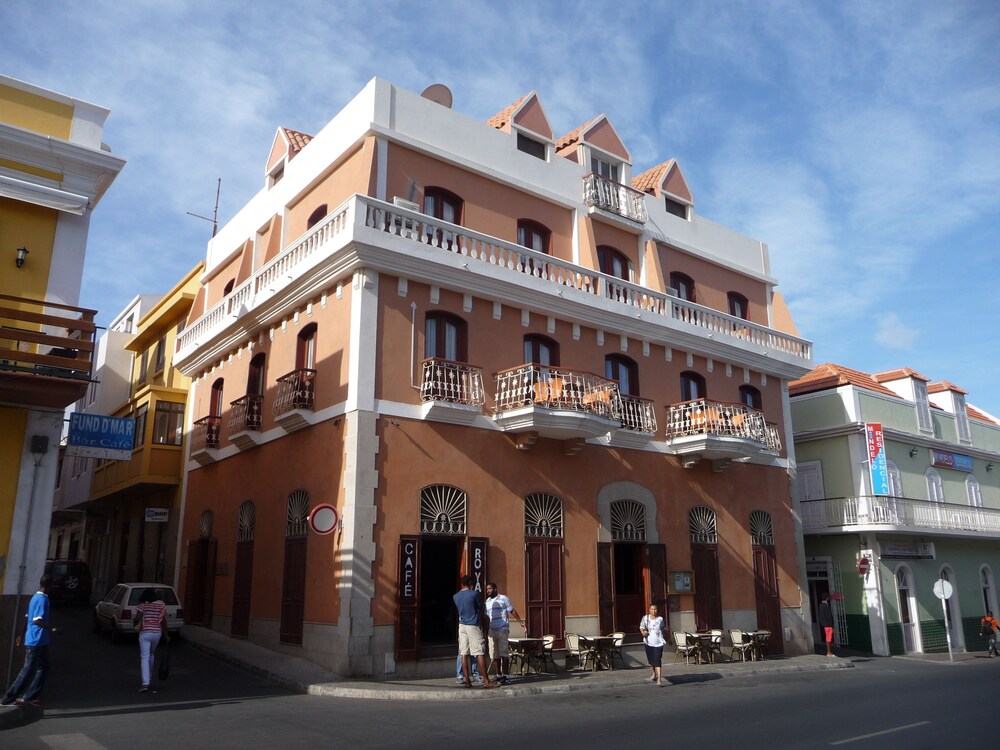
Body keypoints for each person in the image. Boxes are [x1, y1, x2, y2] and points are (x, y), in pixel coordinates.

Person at [2, 575, 60, 707]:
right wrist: (53, 629)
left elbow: (27, 617)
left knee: (44, 666)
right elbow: (36, 620)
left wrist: (21, 634)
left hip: (40, 640)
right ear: (49, 586)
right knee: (28, 670)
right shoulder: (42, 599)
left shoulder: (34, 597)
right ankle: (9, 698)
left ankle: (31, 696)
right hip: (36, 640)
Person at [452, 575, 496, 688]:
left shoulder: (456, 596)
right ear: (471, 583)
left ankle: (467, 681)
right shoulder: (474, 594)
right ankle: (486, 681)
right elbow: (480, 607)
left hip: (462, 625)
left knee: (463, 653)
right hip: (473, 624)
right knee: (479, 652)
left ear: (462, 584)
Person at [484, 582, 524, 684]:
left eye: (490, 589)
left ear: (495, 589)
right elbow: (486, 617)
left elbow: (512, 610)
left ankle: (506, 676)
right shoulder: (487, 602)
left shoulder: (503, 598)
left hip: (502, 629)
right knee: (494, 655)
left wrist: (520, 622)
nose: (488, 591)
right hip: (492, 630)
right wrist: (485, 630)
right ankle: (498, 675)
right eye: (487, 589)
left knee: (504, 653)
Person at [133, 588, 170, 693]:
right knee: (151, 654)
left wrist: (134, 624)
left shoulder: (142, 605)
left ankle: (145, 683)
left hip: (145, 633)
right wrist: (166, 634)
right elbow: (163, 620)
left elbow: (138, 618)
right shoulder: (161, 604)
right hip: (157, 633)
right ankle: (149, 677)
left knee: (144, 657)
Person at [639, 603, 666, 686]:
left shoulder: (660, 619)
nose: (654, 611)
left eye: (655, 609)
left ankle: (659, 679)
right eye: (652, 609)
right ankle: (654, 673)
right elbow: (641, 627)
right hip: (649, 643)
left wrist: (668, 638)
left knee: (657, 660)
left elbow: (664, 629)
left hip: (658, 643)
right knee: (651, 660)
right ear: (649, 610)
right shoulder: (645, 618)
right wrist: (643, 632)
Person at [818, 592, 835, 657]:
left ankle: (829, 652)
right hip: (828, 624)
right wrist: (832, 625)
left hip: (824, 624)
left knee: (828, 638)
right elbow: (829, 616)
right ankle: (829, 652)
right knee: (828, 639)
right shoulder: (826, 606)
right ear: (827, 598)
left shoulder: (821, 605)